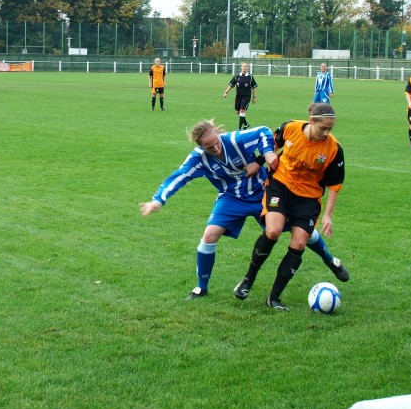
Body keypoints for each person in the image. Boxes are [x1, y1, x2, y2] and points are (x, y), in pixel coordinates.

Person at [140, 119, 349, 300]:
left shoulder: (235, 140)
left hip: (261, 193)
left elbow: (263, 132)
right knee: (209, 235)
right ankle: (201, 287)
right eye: (209, 147)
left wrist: (267, 153)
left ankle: (330, 260)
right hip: (231, 198)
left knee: (300, 231)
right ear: (201, 146)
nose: (216, 148)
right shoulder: (198, 159)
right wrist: (158, 200)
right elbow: (180, 176)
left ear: (219, 134)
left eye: (216, 142)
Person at [233, 103, 349, 312]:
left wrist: (328, 215)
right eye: (323, 128)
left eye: (330, 129)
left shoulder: (333, 149)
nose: (326, 133)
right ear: (311, 121)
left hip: (309, 198)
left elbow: (335, 184)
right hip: (280, 185)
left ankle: (274, 298)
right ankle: (248, 279)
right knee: (273, 231)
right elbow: (271, 144)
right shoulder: (291, 128)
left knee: (299, 242)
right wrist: (259, 162)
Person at [223, 62, 257, 129]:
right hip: (238, 96)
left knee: (242, 110)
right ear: (241, 67)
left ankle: (239, 129)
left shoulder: (250, 77)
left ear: (248, 68)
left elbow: (254, 87)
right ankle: (246, 124)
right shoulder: (237, 76)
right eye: (243, 66)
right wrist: (226, 92)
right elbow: (231, 85)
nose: (244, 67)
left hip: (246, 96)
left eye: (246, 66)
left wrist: (254, 97)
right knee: (238, 112)